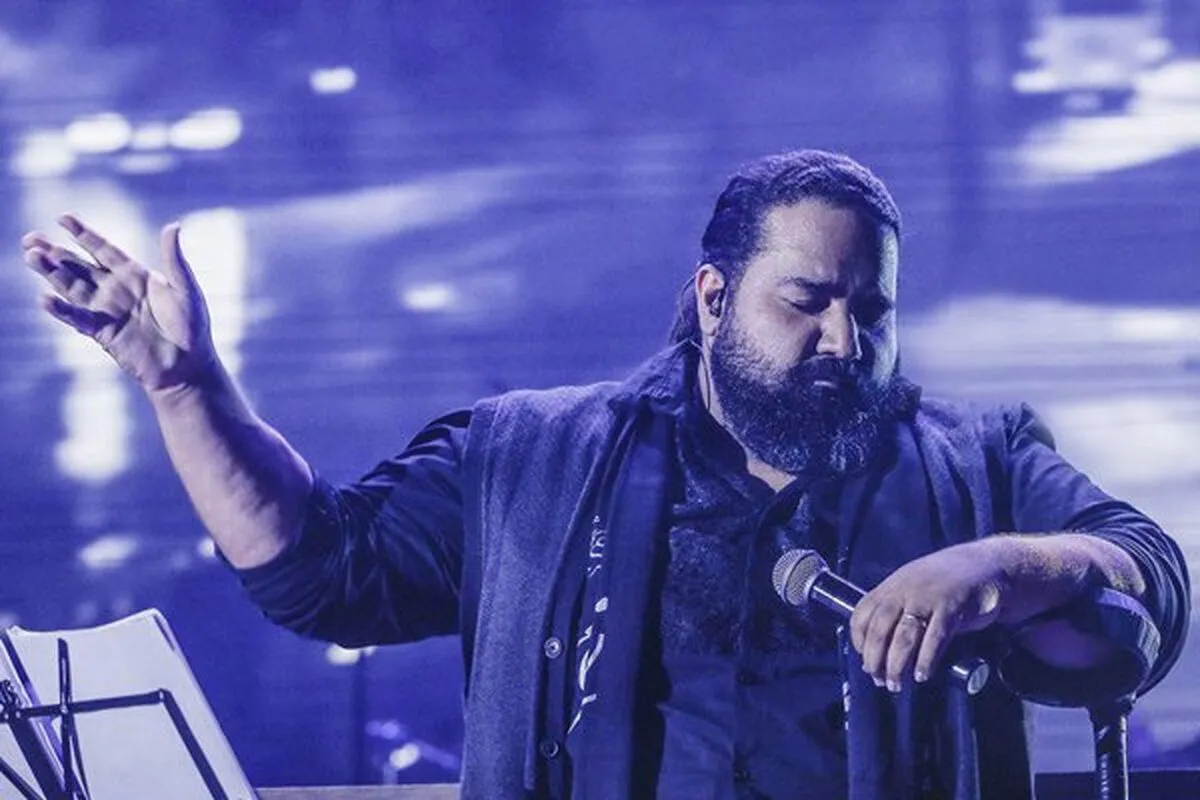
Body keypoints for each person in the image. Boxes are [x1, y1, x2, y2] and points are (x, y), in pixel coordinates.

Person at [20, 149, 1189, 800]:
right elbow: (321, 568)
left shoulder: (974, 459)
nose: (844, 339)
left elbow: (1150, 577)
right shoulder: (532, 455)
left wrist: (1002, 564)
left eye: (870, 310)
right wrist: (185, 388)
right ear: (714, 298)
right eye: (808, 301)